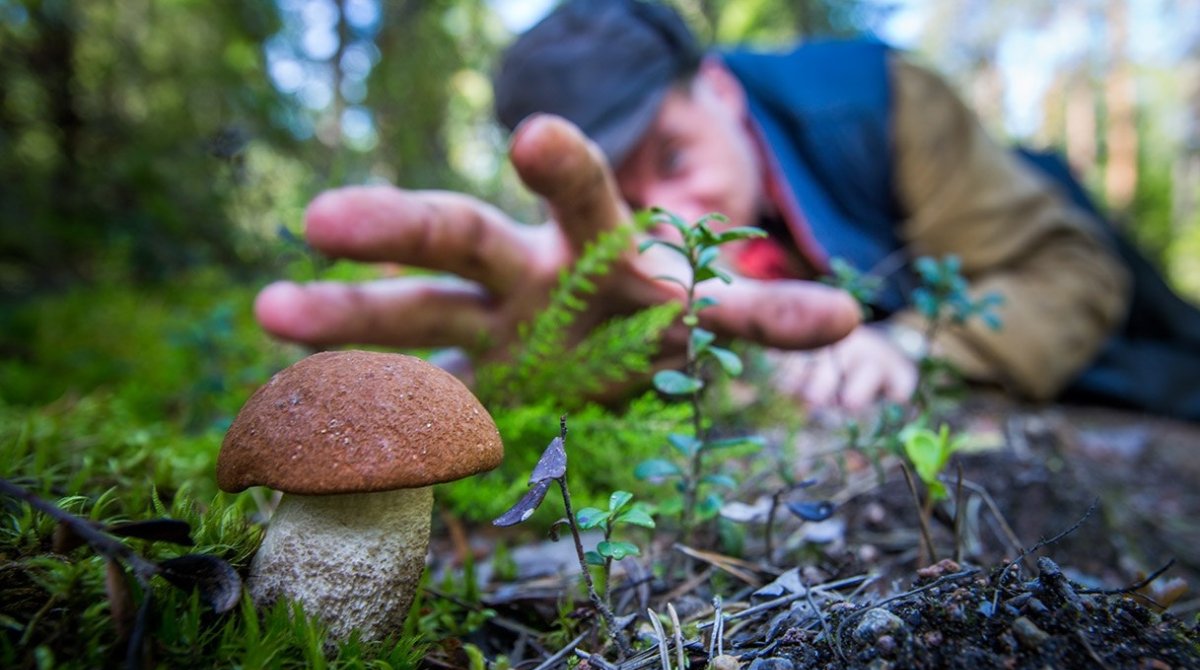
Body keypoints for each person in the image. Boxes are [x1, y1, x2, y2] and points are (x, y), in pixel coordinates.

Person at [255, 0, 1200, 419]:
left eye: (669, 154)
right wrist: (590, 357)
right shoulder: (651, 257)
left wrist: (911, 345)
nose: (669, 208)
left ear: (713, 84)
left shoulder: (879, 103)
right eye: (627, 196)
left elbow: (1073, 271)